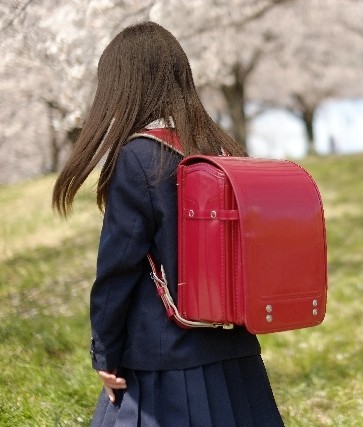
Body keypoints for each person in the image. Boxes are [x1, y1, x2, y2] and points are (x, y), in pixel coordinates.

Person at [52, 21, 283, 426]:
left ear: (122, 87)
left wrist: (105, 354)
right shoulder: (223, 151)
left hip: (160, 368)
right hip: (235, 356)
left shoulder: (139, 156)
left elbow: (117, 270)